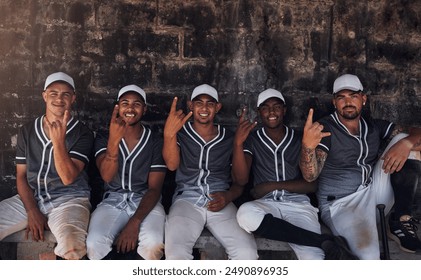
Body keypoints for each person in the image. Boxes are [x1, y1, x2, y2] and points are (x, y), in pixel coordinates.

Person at [299, 73, 421, 259]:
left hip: (372, 192)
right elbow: (310, 176)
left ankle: (399, 221)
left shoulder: (372, 126)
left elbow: (415, 132)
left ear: (363, 99)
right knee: (368, 257)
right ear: (334, 102)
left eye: (353, 96)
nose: (348, 102)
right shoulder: (326, 128)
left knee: (405, 141)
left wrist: (407, 142)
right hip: (340, 204)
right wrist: (307, 146)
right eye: (342, 97)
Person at [233, 88, 357, 260]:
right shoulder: (253, 139)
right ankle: (321, 240)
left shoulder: (300, 138)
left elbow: (311, 184)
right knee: (245, 214)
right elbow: (240, 179)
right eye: (265, 107)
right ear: (259, 112)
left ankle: (314, 243)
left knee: (313, 260)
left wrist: (271, 186)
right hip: (266, 205)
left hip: (299, 206)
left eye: (277, 106)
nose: (271, 112)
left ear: (284, 110)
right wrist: (238, 143)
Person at [0, 72, 94, 260]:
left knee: (73, 247)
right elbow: (21, 176)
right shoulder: (27, 130)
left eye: (65, 94)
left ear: (73, 98)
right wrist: (32, 210)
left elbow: (68, 177)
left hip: (70, 200)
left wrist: (58, 142)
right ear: (44, 96)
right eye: (53, 93)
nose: (59, 99)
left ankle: (49, 262)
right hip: (31, 197)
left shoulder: (83, 133)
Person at [162, 84, 258, 260]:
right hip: (186, 200)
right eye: (199, 103)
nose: (204, 108)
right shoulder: (181, 133)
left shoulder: (228, 137)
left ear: (217, 107)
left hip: (220, 201)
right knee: (176, 254)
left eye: (210, 103)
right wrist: (169, 134)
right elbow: (171, 165)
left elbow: (241, 181)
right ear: (191, 105)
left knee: (247, 253)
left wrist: (227, 197)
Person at [86, 85, 167, 260]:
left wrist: (134, 223)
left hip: (146, 202)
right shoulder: (103, 137)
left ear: (144, 109)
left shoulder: (154, 141)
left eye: (136, 104)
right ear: (117, 107)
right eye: (125, 103)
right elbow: (107, 176)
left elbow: (154, 189)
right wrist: (114, 142)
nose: (130, 108)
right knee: (94, 243)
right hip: (113, 201)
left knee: (153, 243)